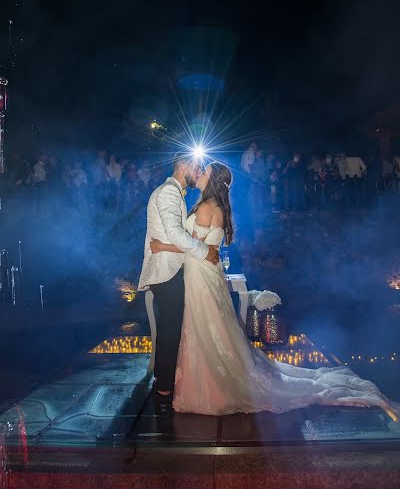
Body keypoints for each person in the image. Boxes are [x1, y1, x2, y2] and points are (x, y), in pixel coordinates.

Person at [149, 161, 397, 416]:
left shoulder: (205, 207)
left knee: (206, 327)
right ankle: (212, 374)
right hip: (205, 274)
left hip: (200, 276)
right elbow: (204, 249)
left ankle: (210, 383)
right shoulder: (216, 206)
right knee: (214, 328)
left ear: (211, 181)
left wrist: (163, 247)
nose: (199, 173)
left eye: (205, 172)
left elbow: (195, 247)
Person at [138, 154, 220, 398]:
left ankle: (164, 378)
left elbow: (175, 236)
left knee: (171, 325)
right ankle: (164, 384)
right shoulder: (168, 192)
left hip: (172, 267)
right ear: (182, 166)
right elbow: (175, 233)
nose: (198, 173)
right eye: (196, 168)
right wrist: (205, 252)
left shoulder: (175, 193)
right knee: (171, 326)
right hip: (165, 270)